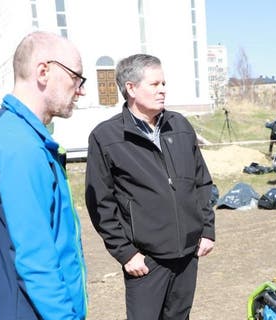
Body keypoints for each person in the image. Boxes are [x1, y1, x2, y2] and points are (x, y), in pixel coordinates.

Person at [0, 31, 88, 319]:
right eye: (76, 77)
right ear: (43, 72)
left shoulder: (11, 131)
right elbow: (36, 258)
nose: (81, 89)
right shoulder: (19, 146)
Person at [85, 53, 215, 320]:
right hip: (145, 262)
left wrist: (207, 230)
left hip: (188, 256)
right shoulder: (106, 137)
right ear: (131, 88)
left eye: (164, 83)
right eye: (155, 84)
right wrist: (125, 253)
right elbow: (100, 203)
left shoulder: (180, 126)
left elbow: (202, 181)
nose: (163, 90)